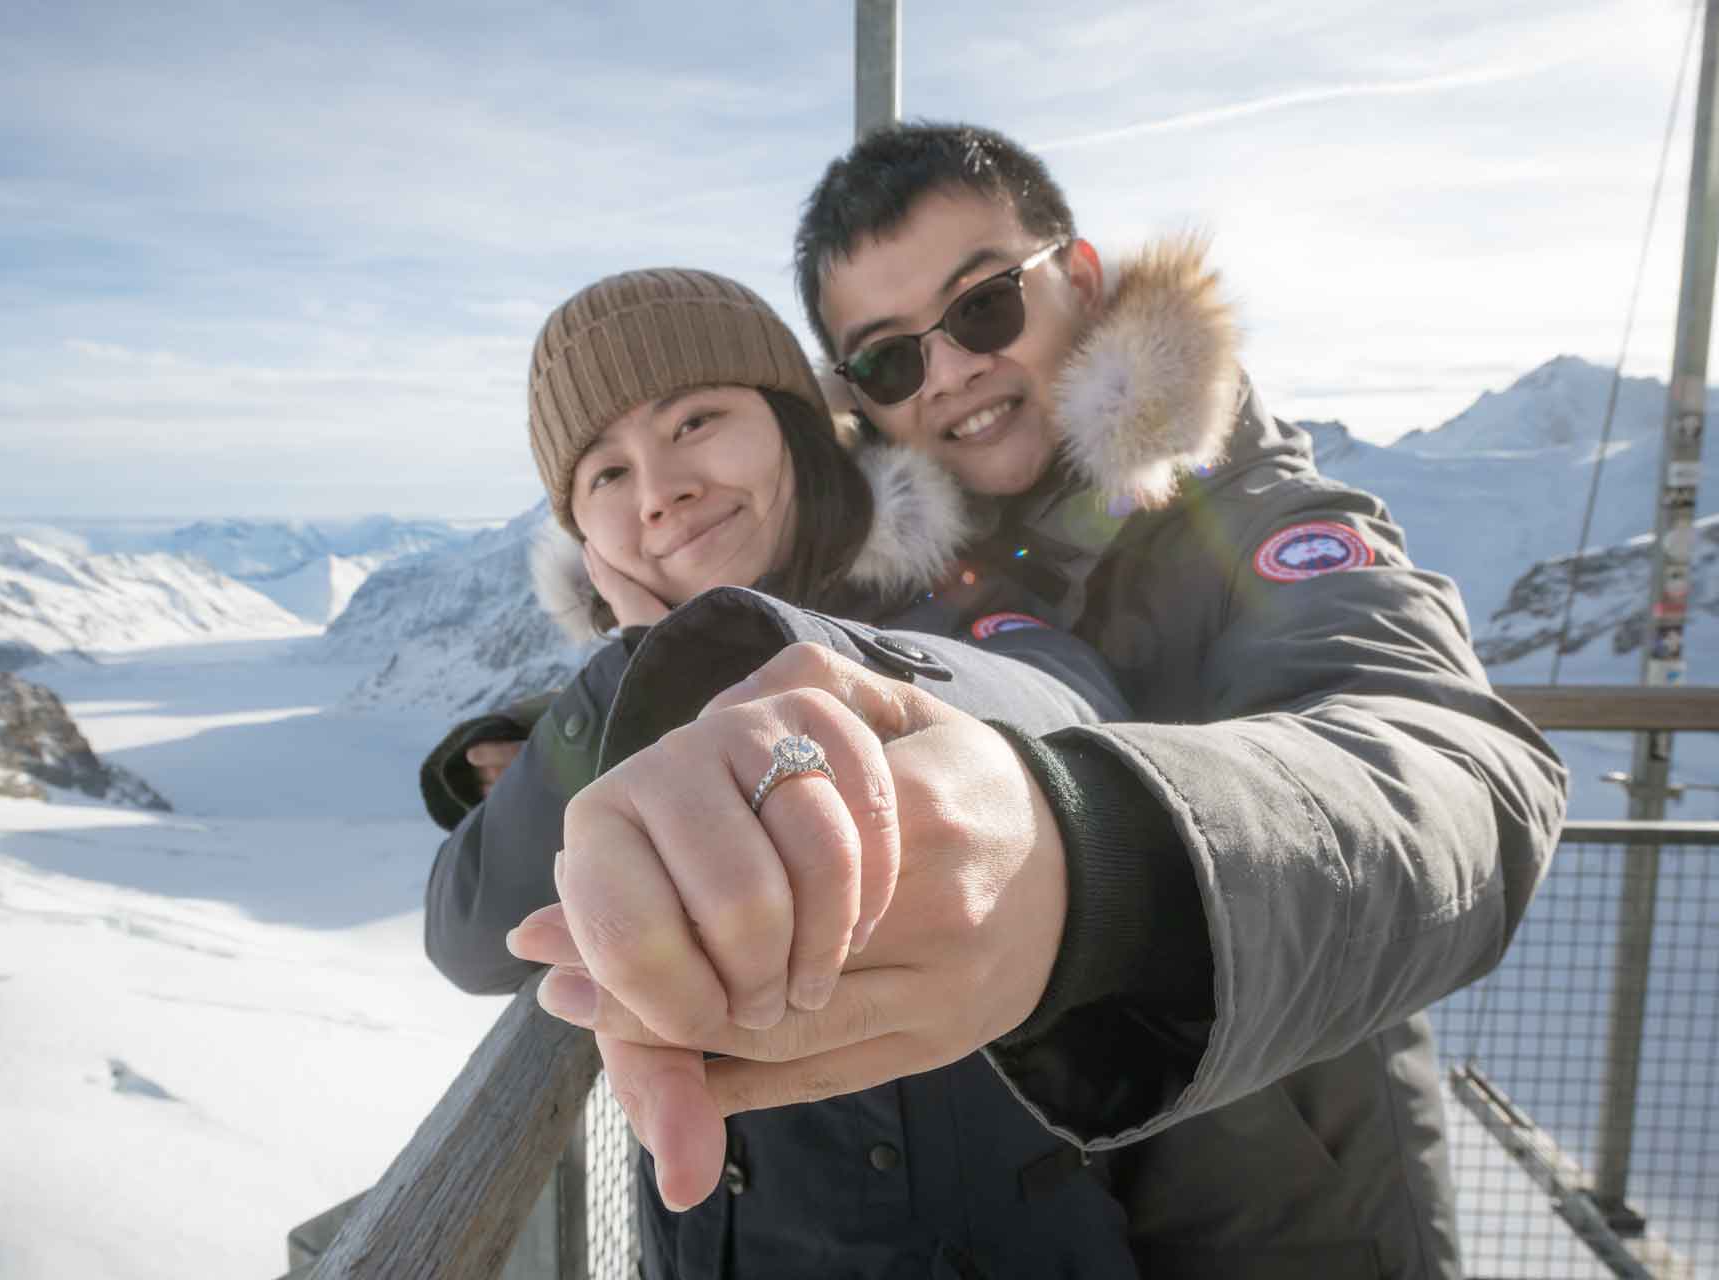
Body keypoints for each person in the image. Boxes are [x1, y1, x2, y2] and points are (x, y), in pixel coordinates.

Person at [508, 123, 1570, 1280]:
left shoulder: (1258, 515)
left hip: (1291, 1213)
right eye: (890, 359)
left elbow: (1452, 768)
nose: (953, 369)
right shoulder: (910, 574)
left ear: (1082, 277)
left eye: (983, 307)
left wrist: (1093, 859)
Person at [422, 266, 1163, 1278]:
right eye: (604, 473)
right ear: (582, 540)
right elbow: (469, 932)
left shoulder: (945, 602)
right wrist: (637, 670)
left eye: (696, 420)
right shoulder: (619, 703)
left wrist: (776, 674)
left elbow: (1074, 712)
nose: (660, 488)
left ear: (793, 427)